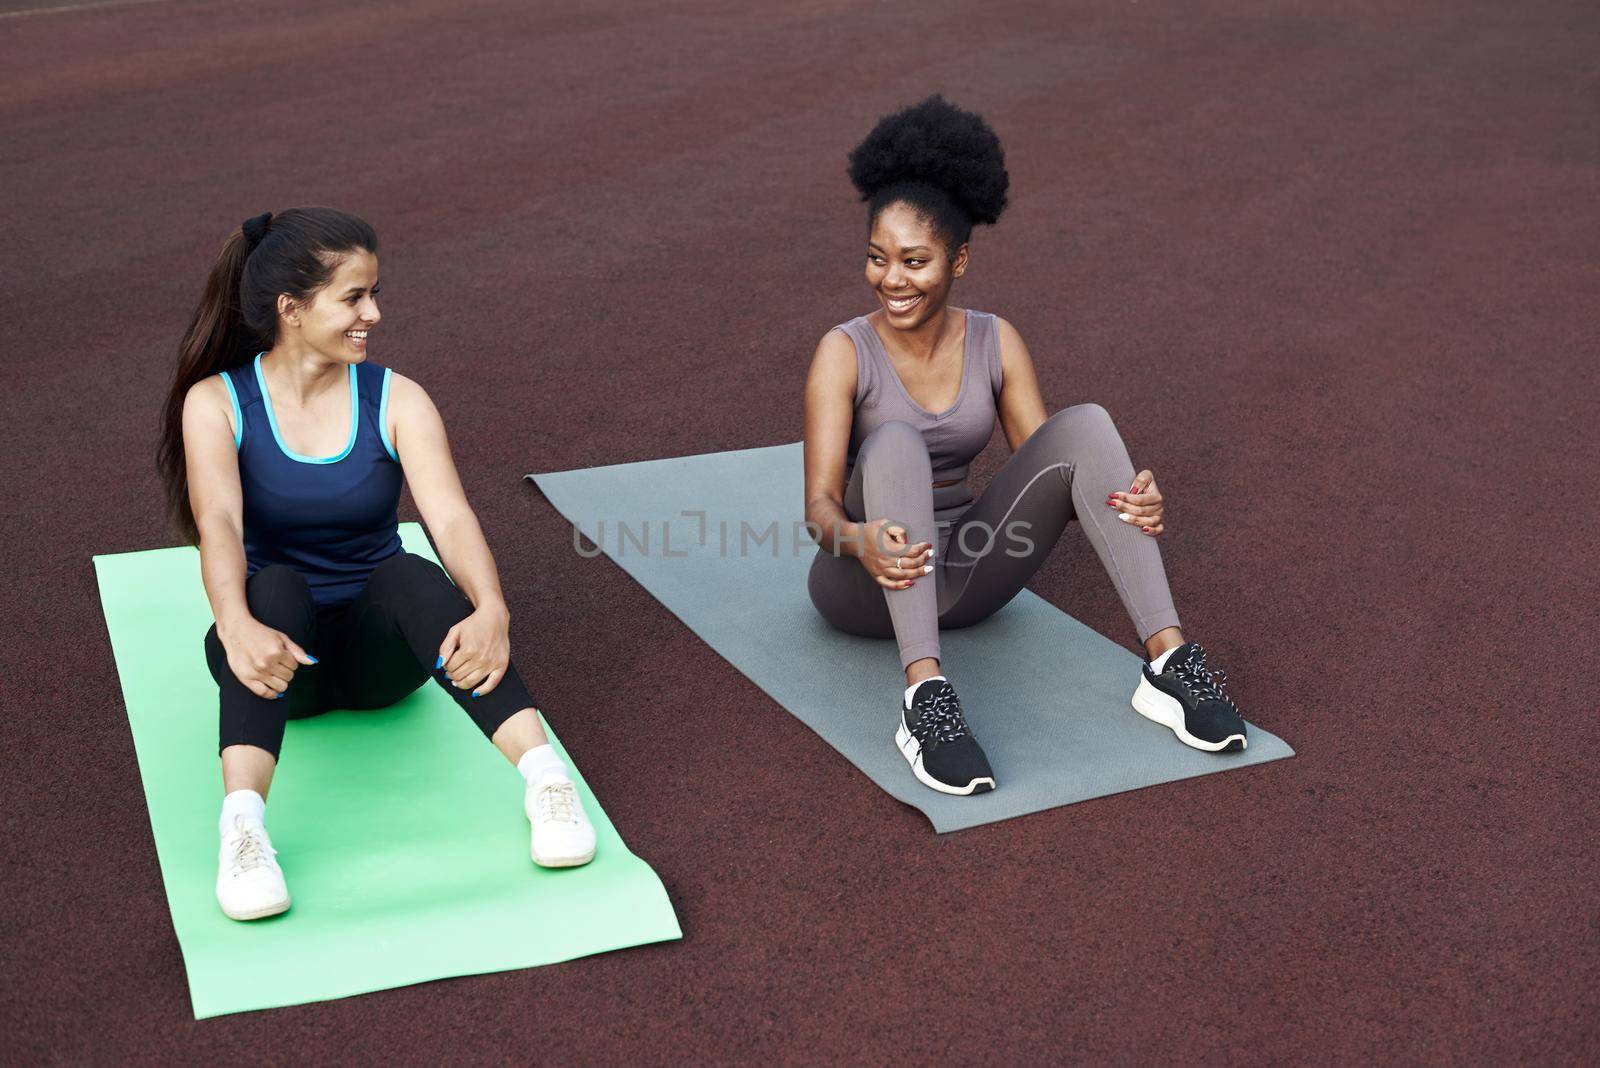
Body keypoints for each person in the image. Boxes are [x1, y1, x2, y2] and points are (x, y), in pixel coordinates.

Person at [157, 208, 595, 921]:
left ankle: (548, 782)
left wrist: (492, 609)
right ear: (291, 309)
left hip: (383, 662)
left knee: (410, 573)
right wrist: (234, 624)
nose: (375, 314)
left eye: (375, 293)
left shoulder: (397, 398)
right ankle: (242, 831)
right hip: (278, 659)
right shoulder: (218, 403)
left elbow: (448, 515)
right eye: (354, 298)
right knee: (273, 586)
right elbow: (220, 523)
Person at [803, 98, 1248, 797]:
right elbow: (820, 512)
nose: (892, 279)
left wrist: (1129, 499)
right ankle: (926, 700)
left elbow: (1051, 467)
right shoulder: (843, 352)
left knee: (1088, 424)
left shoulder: (995, 339)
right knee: (894, 443)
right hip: (864, 587)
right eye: (876, 258)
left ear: (959, 260)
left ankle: (1169, 662)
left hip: (973, 577)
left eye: (915, 261)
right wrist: (862, 542)